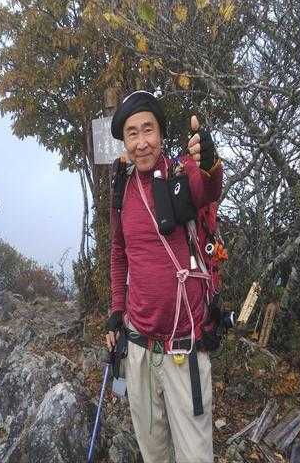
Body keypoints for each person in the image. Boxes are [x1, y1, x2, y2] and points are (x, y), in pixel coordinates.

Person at [105, 90, 223, 463]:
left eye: (148, 130)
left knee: (195, 456)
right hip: (138, 345)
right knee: (153, 454)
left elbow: (209, 188)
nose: (141, 142)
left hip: (184, 346)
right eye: (132, 134)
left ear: (160, 133)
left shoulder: (181, 174)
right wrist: (116, 311)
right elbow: (119, 253)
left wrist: (209, 161)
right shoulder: (122, 189)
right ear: (124, 141)